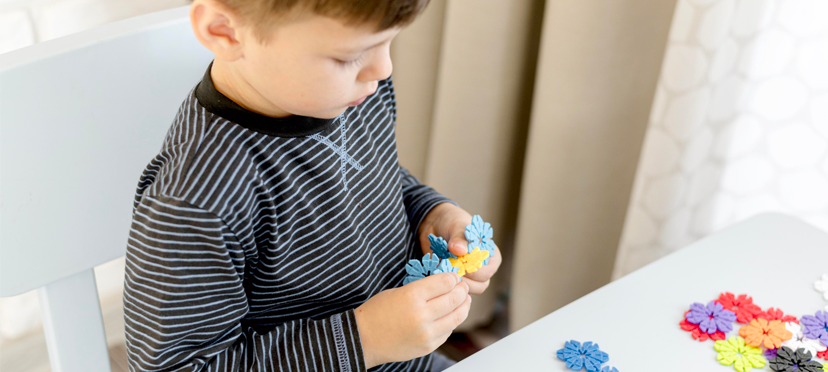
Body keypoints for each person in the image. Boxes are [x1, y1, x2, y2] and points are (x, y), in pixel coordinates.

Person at [123, 0, 502, 371]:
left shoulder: (351, 92)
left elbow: (372, 175)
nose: (382, 69)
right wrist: (365, 338)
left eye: (389, 41)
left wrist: (430, 213)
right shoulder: (195, 200)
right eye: (347, 57)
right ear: (224, 31)